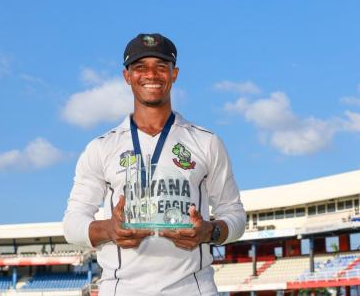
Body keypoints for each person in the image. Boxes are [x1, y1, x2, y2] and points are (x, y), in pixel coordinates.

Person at [63, 33, 246, 296]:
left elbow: (236, 215)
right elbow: (72, 223)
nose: (152, 74)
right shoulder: (101, 147)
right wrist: (108, 229)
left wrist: (209, 230)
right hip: (121, 289)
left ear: (174, 74)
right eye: (141, 67)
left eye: (161, 67)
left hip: (193, 289)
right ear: (127, 76)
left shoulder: (207, 142)